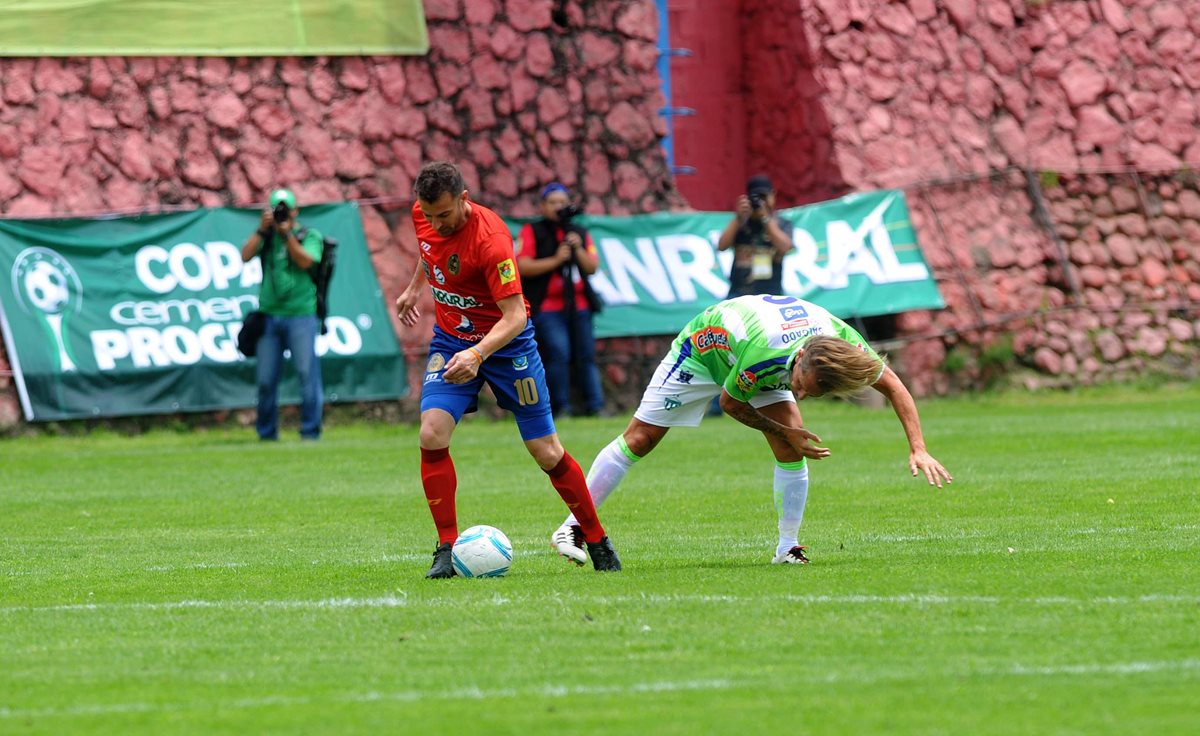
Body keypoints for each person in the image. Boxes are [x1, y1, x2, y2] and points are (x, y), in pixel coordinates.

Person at [549, 294, 952, 566]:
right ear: (800, 361)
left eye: (809, 393)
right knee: (641, 439)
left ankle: (787, 547)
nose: (799, 394)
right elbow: (729, 404)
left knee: (791, 442)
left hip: (753, 358)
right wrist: (782, 428)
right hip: (702, 351)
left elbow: (893, 385)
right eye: (800, 386)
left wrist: (918, 447)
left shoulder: (845, 346)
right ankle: (571, 527)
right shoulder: (765, 355)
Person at [395, 162, 621, 578]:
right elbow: (430, 251)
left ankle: (596, 537)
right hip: (451, 341)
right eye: (428, 215)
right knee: (431, 434)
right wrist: (414, 288)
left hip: (507, 346)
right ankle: (446, 547)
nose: (436, 223)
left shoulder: (491, 240)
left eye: (444, 214)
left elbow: (515, 316)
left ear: (464, 199)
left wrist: (478, 355)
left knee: (546, 451)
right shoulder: (425, 215)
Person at [515, 182, 606, 417]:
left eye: (562, 202)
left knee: (586, 355)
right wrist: (556, 260)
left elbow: (592, 267)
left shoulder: (579, 232)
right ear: (542, 206)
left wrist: (577, 249)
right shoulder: (532, 231)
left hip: (580, 305)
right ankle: (560, 407)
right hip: (547, 307)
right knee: (559, 353)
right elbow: (522, 266)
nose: (558, 207)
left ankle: (595, 406)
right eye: (553, 202)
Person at [240, 188, 324, 441]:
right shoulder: (265, 236)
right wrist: (261, 230)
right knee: (265, 379)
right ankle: (266, 434)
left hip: (301, 314)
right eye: (276, 209)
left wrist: (287, 234)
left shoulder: (309, 235)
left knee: (306, 373)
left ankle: (310, 432)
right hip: (268, 316)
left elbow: (306, 261)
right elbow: (245, 256)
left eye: (285, 209)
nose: (281, 214)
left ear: (295, 211)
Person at [717, 175, 794, 297]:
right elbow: (721, 246)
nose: (760, 202)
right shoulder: (741, 223)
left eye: (763, 197)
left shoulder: (781, 223)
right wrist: (738, 218)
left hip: (770, 294)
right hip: (739, 293)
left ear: (773, 195)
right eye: (756, 197)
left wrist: (765, 218)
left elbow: (786, 247)